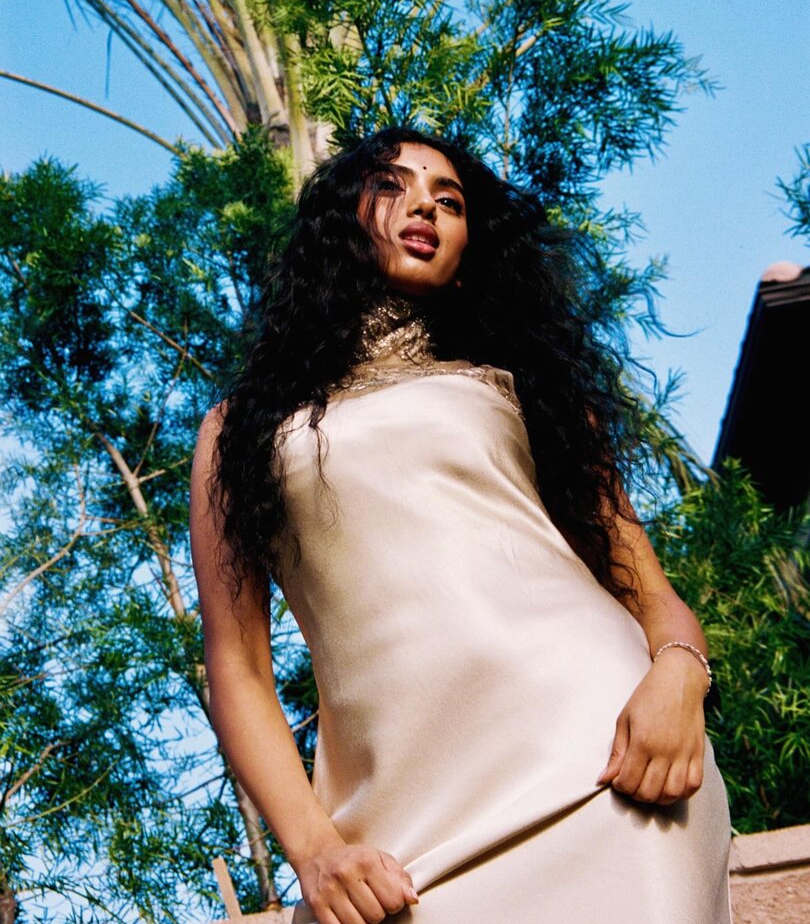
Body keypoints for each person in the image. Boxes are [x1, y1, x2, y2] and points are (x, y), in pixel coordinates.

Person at [190, 127, 732, 924]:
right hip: (400, 828)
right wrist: (314, 850)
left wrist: (680, 677)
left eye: (449, 201)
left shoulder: (525, 392)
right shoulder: (240, 430)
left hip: (603, 753)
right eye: (392, 185)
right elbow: (237, 668)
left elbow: (650, 592)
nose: (426, 208)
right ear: (339, 221)